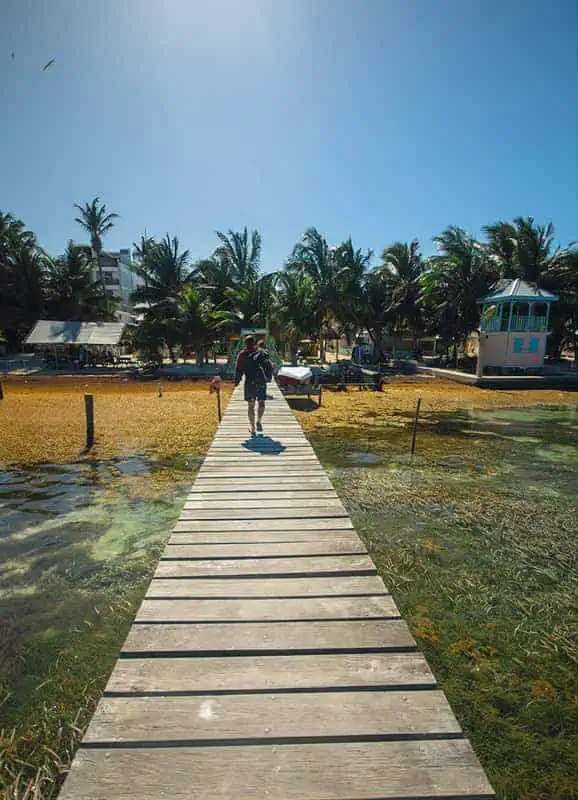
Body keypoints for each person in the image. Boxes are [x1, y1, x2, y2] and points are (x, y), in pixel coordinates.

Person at [235, 335, 272, 435]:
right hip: (261, 381)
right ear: (254, 342)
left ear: (245, 343)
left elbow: (239, 370)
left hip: (250, 381)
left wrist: (236, 382)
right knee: (261, 402)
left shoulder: (242, 354)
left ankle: (252, 427)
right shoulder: (261, 352)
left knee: (251, 405)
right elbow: (269, 365)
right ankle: (259, 421)